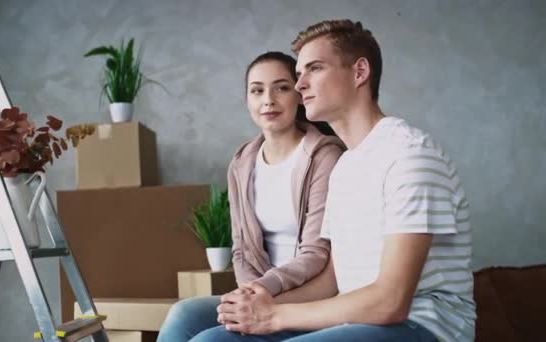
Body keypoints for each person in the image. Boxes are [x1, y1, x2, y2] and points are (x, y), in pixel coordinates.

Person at [200, 19, 475, 342]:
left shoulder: (410, 155)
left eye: (314, 69)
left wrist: (275, 315)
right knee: (203, 328)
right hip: (356, 319)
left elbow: (391, 301)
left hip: (423, 325)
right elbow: (332, 280)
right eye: (299, 73)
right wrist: (256, 305)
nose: (300, 85)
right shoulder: (345, 166)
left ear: (360, 72)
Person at [157, 51, 345, 342]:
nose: (268, 99)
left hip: (309, 297)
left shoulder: (324, 156)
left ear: (298, 94)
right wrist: (248, 296)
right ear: (247, 100)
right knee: (184, 314)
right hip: (260, 291)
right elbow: (241, 249)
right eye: (257, 91)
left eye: (281, 87)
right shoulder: (242, 162)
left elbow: (316, 253)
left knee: (208, 340)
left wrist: (261, 292)